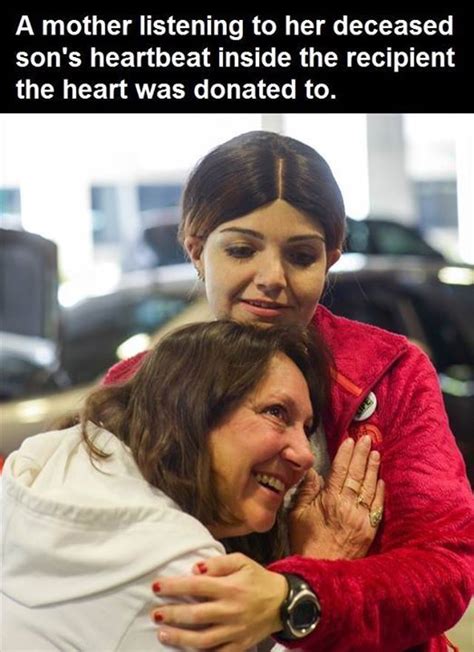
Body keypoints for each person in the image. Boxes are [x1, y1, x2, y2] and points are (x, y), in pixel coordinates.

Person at [105, 131, 474, 651]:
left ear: (331, 260)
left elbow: (444, 570)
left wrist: (296, 595)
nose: (271, 277)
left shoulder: (390, 374)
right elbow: (105, 557)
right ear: (195, 250)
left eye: (301, 256)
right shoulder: (133, 385)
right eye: (240, 249)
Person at [1, 320, 382, 651]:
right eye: (276, 412)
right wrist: (316, 579)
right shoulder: (184, 571)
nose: (305, 455)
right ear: (192, 407)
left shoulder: (49, 462)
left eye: (308, 429)